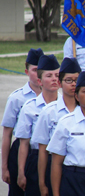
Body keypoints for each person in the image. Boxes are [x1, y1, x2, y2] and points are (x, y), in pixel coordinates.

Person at [31, 58, 81, 196]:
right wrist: (42, 183)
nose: (73, 84)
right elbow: (42, 151)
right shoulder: (49, 112)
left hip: (77, 171)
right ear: (59, 83)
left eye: (77, 80)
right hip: (53, 167)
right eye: (68, 80)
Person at [14, 55, 61, 195]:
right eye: (49, 75)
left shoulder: (67, 106)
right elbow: (24, 143)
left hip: (60, 160)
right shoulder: (30, 107)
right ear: (39, 81)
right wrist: (21, 172)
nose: (54, 79)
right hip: (36, 159)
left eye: (57, 75)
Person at [1, 48, 43, 196]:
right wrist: (4, 167)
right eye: (34, 69)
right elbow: (7, 134)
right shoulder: (17, 98)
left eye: (41, 70)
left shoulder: (54, 97)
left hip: (43, 152)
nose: (38, 74)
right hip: (20, 149)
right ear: (26, 72)